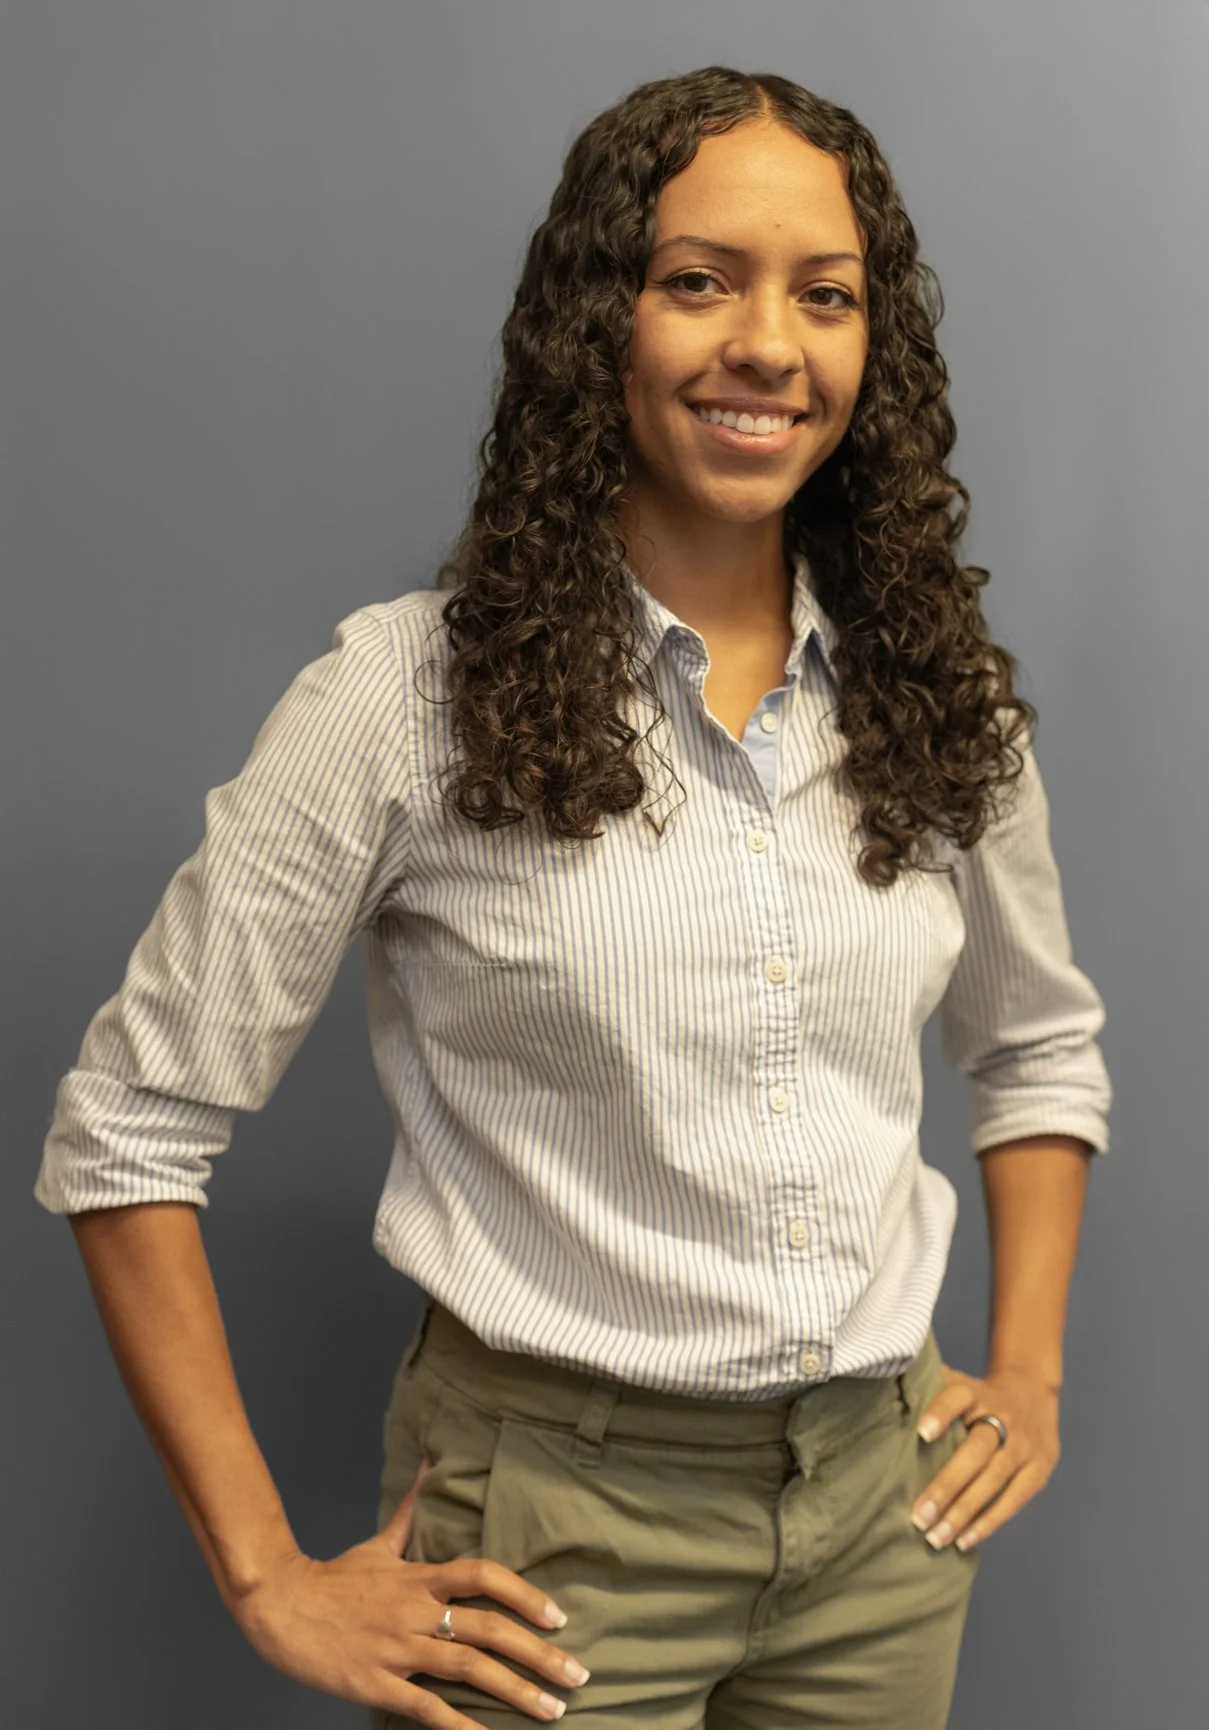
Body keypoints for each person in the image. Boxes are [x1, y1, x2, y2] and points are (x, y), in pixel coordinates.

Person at [36, 64, 1111, 1730]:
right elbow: (127, 1128)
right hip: (548, 1538)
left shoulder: (940, 696)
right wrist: (266, 1572)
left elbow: (1040, 1048)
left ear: (870, 349)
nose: (770, 342)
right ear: (596, 321)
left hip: (878, 1527)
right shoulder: (403, 699)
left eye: (825, 296)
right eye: (701, 281)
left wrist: (1027, 1373)